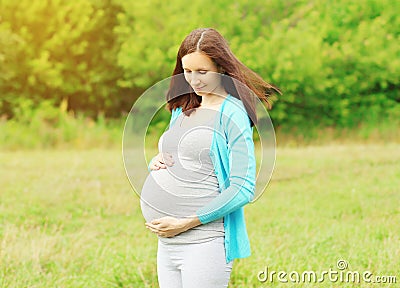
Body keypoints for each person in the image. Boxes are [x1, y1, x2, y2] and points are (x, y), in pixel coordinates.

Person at [141, 28, 280, 288]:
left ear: (222, 68)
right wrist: (157, 161)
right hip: (168, 243)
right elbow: (181, 157)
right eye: (188, 71)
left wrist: (186, 222)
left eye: (202, 72)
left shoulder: (233, 113)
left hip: (204, 241)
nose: (194, 80)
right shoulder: (183, 108)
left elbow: (243, 188)